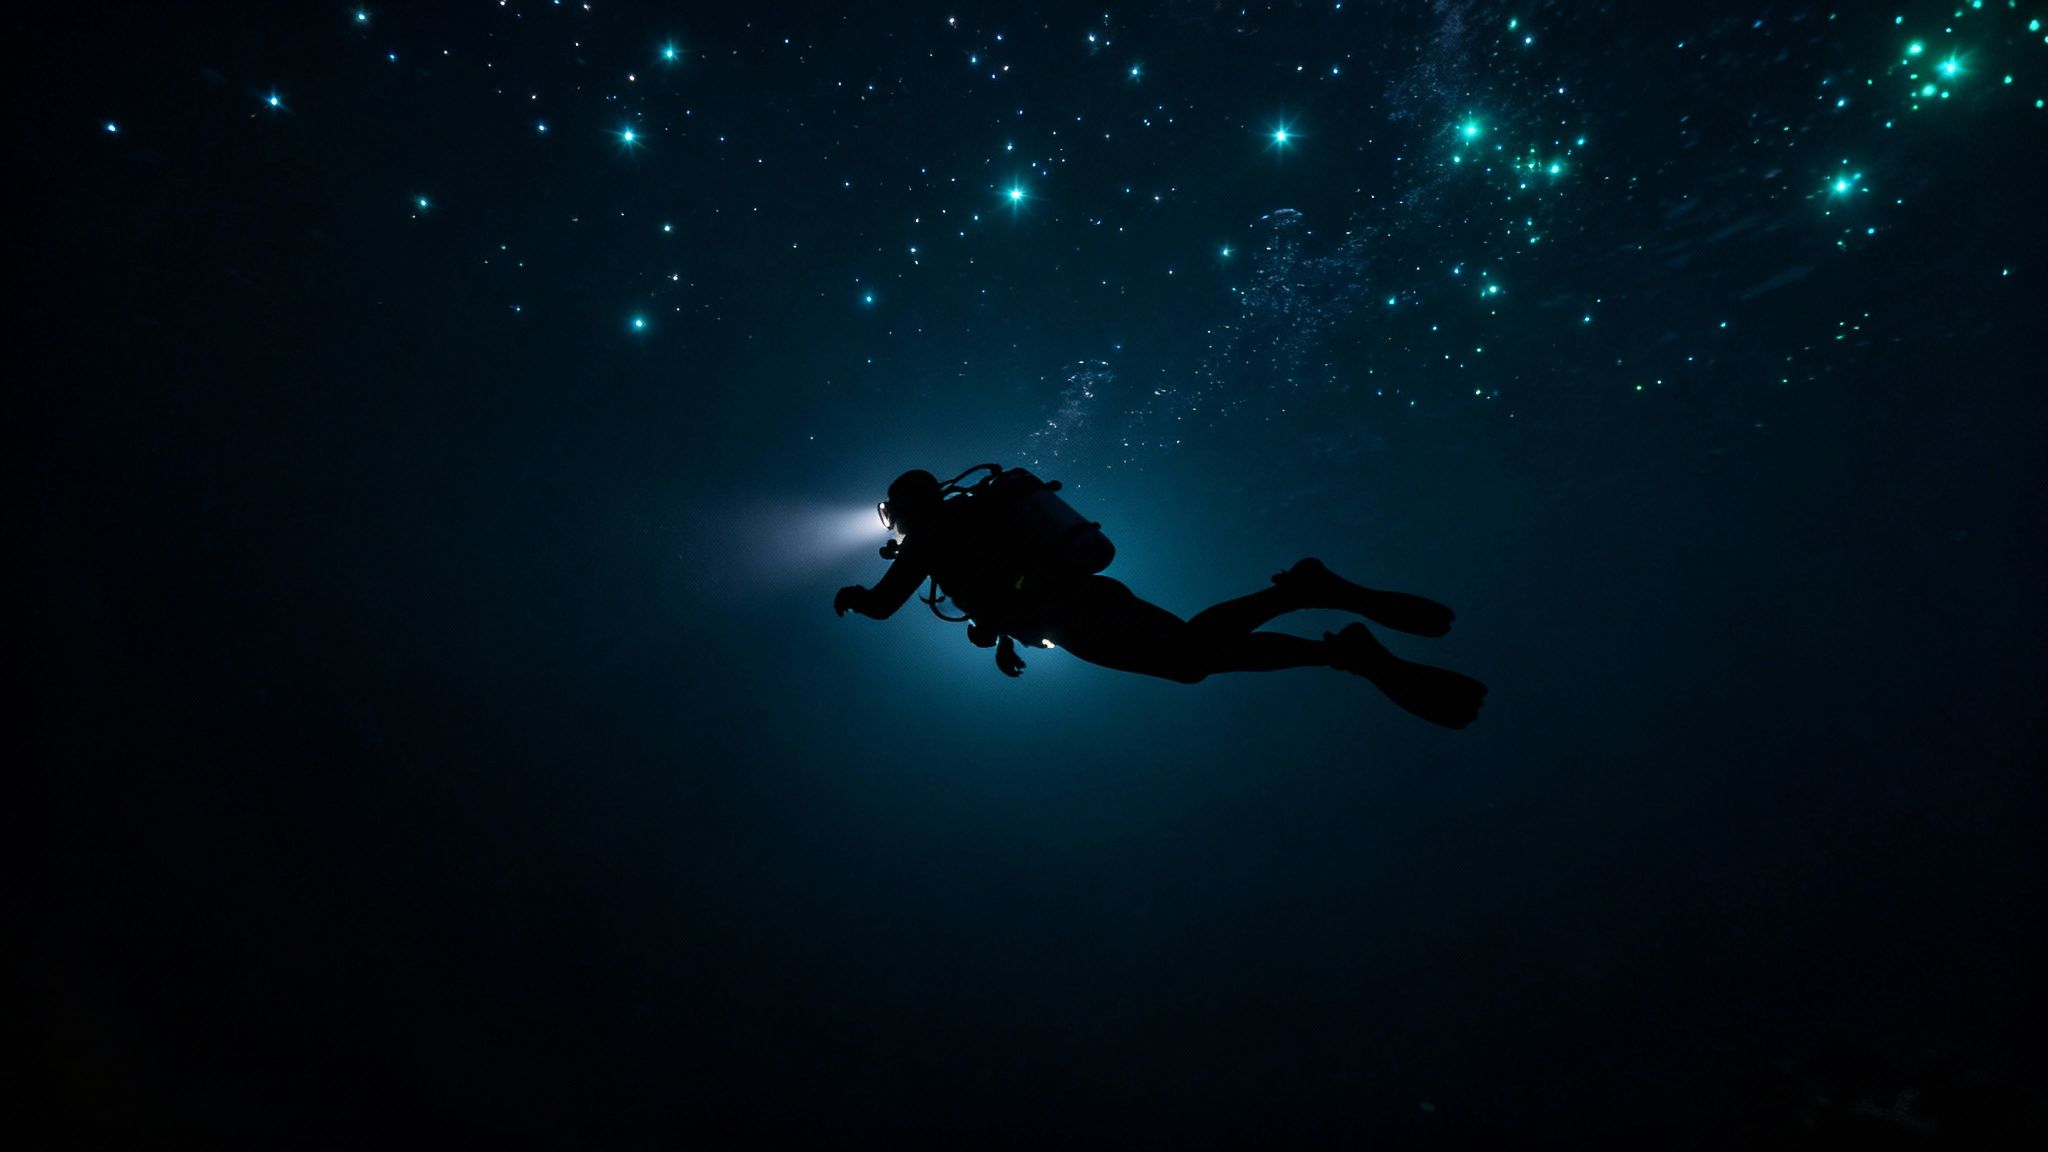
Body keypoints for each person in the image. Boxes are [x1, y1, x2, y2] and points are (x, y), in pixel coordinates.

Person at [834, 468, 1487, 728]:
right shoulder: (973, 518)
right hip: (1085, 595)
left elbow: (887, 603)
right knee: (1194, 657)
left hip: (1073, 613)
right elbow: (1002, 582)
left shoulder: (930, 538)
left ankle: (1314, 613)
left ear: (905, 509)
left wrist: (855, 596)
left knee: (1192, 656)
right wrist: (1003, 636)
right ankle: (1332, 642)